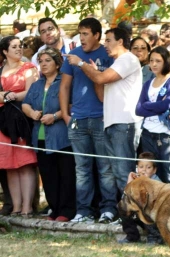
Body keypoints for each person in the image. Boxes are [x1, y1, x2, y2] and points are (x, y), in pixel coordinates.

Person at [66, 27, 143, 220]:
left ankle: (133, 219)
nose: (105, 45)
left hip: (124, 123)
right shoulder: (116, 64)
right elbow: (101, 94)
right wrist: (93, 72)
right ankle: (127, 219)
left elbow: (100, 77)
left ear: (121, 42)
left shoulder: (128, 59)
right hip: (111, 123)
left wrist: (82, 64)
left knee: (124, 172)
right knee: (117, 173)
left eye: (109, 40)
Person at [60, 17, 117, 224]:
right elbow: (64, 86)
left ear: (96, 35)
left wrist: (84, 65)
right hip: (78, 120)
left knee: (105, 167)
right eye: (79, 33)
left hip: (102, 117)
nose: (81, 38)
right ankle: (83, 211)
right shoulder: (73, 55)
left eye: (85, 34)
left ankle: (109, 209)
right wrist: (66, 115)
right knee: (82, 169)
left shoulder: (107, 53)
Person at [22, 47, 75, 222]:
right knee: (48, 175)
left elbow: (71, 104)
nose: (43, 64)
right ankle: (54, 209)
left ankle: (66, 211)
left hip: (61, 136)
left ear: (58, 64)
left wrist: (55, 116)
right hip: (41, 137)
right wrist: (32, 113)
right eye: (41, 61)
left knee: (65, 174)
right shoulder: (37, 84)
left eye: (47, 61)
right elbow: (26, 104)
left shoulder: (64, 82)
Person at [0, 36, 38, 217]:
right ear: (5, 51)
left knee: (25, 163)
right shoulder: (1, 70)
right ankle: (15, 207)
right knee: (10, 165)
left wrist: (10, 96)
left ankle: (27, 207)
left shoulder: (28, 68)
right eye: (14, 47)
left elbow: (30, 92)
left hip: (22, 120)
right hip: (4, 122)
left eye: (20, 46)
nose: (19, 49)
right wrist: (5, 96)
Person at [136, 46, 170, 186]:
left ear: (166, 62)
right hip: (148, 134)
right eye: (151, 60)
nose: (154, 64)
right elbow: (138, 109)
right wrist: (156, 105)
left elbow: (167, 105)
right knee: (149, 176)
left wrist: (147, 105)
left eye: (158, 61)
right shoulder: (148, 83)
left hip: (165, 136)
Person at [119, 152, 164, 245]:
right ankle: (132, 236)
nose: (144, 170)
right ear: (137, 168)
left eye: (148, 167)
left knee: (147, 207)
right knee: (123, 206)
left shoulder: (157, 182)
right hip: (141, 216)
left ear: (154, 170)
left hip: (155, 216)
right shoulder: (135, 180)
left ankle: (155, 237)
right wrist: (129, 183)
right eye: (141, 167)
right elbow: (124, 199)